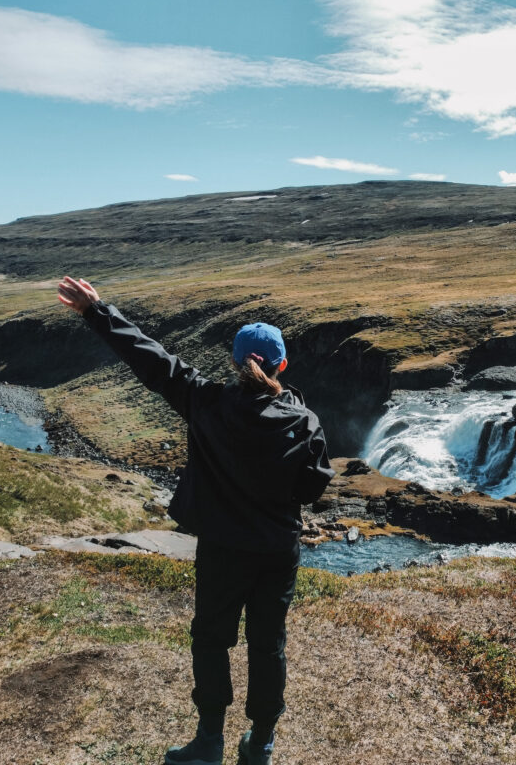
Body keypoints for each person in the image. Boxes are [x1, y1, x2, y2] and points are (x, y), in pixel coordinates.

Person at [57, 276, 334, 765]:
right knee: (268, 644)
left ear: (234, 362)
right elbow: (313, 491)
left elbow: (150, 358)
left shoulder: (204, 401)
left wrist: (96, 311)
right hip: (276, 552)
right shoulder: (305, 421)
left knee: (211, 639)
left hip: (223, 550)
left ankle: (209, 741)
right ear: (282, 365)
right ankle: (261, 742)